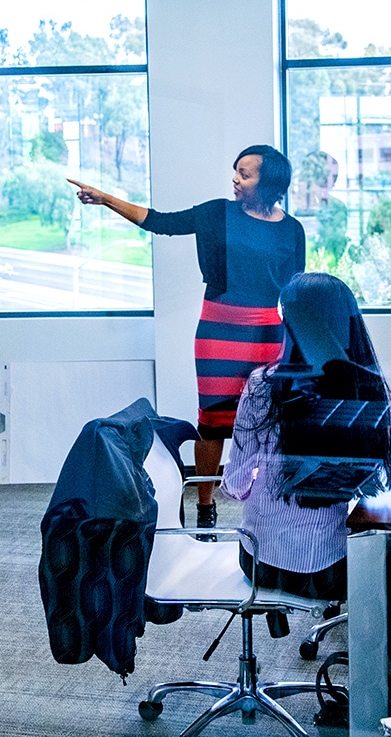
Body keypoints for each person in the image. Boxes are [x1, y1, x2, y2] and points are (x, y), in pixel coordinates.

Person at [219, 272, 391, 663]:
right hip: (326, 573)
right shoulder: (368, 389)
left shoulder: (261, 385)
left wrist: (273, 475)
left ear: (288, 324)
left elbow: (234, 482)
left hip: (256, 562)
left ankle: (383, 666)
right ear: (348, 321)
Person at [69, 144, 306, 529]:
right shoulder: (216, 213)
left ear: (269, 182)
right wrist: (105, 199)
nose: (235, 178)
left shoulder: (292, 230)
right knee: (213, 422)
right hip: (217, 332)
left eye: (244, 174)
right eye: (236, 170)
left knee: (269, 421)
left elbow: (296, 289)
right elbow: (158, 221)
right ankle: (205, 509)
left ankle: (267, 505)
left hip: (268, 335)